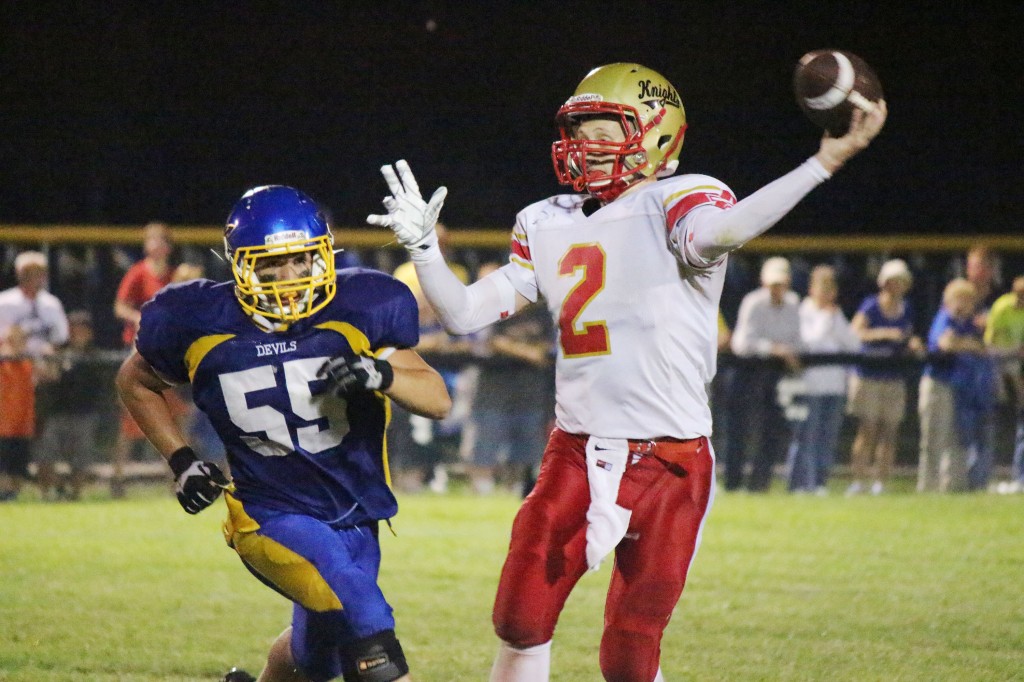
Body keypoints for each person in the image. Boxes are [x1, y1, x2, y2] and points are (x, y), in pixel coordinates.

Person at [367, 62, 886, 681]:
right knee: (519, 617)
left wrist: (823, 162)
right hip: (576, 450)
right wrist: (425, 252)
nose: (584, 143)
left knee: (631, 654)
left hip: (671, 460)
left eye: (603, 128)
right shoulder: (546, 219)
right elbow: (462, 314)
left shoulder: (683, 199)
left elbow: (723, 229)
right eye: (578, 127)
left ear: (658, 135)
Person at [115, 186, 451, 682]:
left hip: (356, 513)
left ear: (324, 257)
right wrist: (181, 459)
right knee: (363, 614)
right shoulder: (198, 320)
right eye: (270, 265)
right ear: (240, 265)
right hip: (269, 513)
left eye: (299, 262)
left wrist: (382, 375)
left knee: (315, 659)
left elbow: (438, 399)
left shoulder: (361, 307)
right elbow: (135, 380)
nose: (288, 279)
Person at [461, 262, 555, 496]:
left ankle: (517, 489)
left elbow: (547, 352)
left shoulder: (541, 314)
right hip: (492, 387)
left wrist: (511, 347)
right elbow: (484, 344)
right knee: (486, 440)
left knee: (527, 444)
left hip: (529, 388)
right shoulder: (485, 310)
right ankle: (481, 491)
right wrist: (525, 351)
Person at [111, 222, 187, 497]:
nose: (154, 245)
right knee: (131, 419)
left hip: (166, 354)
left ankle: (180, 477)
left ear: (168, 246)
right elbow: (120, 307)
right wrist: (140, 317)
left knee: (175, 418)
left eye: (159, 241)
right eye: (150, 241)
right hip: (138, 352)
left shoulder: (173, 275)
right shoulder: (138, 272)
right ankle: (117, 478)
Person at [724, 256, 802, 492]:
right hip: (747, 372)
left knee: (771, 430)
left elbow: (796, 340)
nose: (777, 289)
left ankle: (760, 483)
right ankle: (733, 482)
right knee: (740, 429)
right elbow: (741, 344)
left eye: (781, 284)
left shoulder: (793, 303)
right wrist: (775, 349)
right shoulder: (753, 302)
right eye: (773, 284)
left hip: (774, 375)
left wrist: (786, 352)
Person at [847, 258, 923, 496]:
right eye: (892, 281)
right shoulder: (871, 305)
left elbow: (907, 336)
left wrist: (912, 343)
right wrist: (883, 333)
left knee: (890, 430)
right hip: (869, 375)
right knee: (867, 429)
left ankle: (881, 481)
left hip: (893, 375)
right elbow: (855, 332)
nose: (896, 286)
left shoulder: (907, 308)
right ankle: (859, 480)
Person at [786, 265, 861, 494]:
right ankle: (800, 484)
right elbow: (810, 343)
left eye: (831, 288)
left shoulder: (836, 315)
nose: (827, 292)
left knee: (827, 438)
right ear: (812, 289)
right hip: (810, 385)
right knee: (806, 436)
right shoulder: (803, 312)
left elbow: (854, 344)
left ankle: (819, 483)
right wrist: (827, 321)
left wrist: (834, 321)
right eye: (823, 287)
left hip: (835, 385)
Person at [918, 279, 996, 492]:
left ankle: (954, 487)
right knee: (934, 439)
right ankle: (928, 487)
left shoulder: (970, 324)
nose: (964, 305)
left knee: (959, 438)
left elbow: (985, 348)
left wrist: (968, 343)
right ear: (948, 301)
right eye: (959, 299)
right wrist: (969, 344)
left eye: (969, 301)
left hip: (962, 388)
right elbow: (945, 344)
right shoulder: (945, 318)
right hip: (938, 384)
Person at [33, 311, 110, 500]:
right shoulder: (58, 353)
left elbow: (101, 387)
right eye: (74, 329)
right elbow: (48, 377)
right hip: (58, 411)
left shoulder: (96, 356)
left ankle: (75, 494)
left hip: (84, 413)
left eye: (82, 329)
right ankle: (47, 494)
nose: (77, 333)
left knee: (80, 460)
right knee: (46, 455)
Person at [986, 275, 1024, 493]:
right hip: (999, 362)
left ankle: (1019, 476)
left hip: (1019, 365)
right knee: (994, 416)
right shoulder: (1002, 307)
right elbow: (990, 344)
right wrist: (1013, 351)